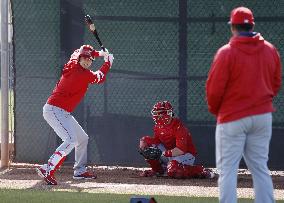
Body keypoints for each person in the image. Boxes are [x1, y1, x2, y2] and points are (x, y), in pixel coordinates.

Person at [206, 7, 282, 203]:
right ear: (252, 25)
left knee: (228, 171)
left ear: (233, 27)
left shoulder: (226, 53)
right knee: (260, 168)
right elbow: (275, 84)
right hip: (262, 116)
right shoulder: (270, 50)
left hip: (232, 116)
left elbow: (214, 90)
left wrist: (218, 112)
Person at [36, 44, 114, 185]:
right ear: (79, 59)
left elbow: (80, 48)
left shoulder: (73, 60)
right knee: (71, 140)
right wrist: (108, 62)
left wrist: (99, 54)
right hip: (54, 110)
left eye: (89, 59)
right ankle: (48, 168)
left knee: (82, 138)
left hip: (62, 111)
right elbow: (99, 77)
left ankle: (80, 171)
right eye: (84, 58)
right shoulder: (81, 74)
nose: (87, 61)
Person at [139, 101, 215, 179]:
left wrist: (162, 153)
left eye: (160, 113)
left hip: (185, 155)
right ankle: (158, 170)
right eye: (156, 113)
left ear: (168, 113)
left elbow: (181, 150)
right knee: (146, 144)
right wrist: (144, 142)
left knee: (173, 170)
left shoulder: (179, 127)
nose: (157, 116)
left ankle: (200, 170)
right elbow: (156, 142)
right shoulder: (158, 126)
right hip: (169, 154)